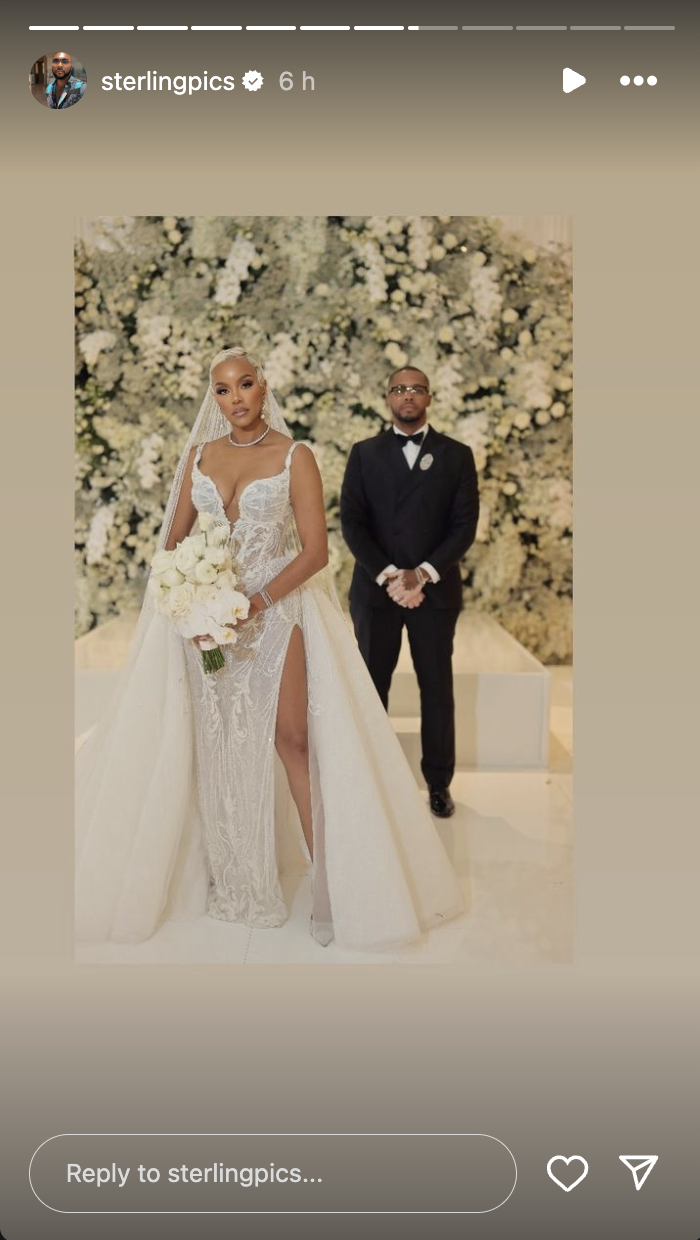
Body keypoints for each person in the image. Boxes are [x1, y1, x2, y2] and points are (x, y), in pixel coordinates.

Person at [75, 348, 466, 952]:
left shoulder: (294, 455)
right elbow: (173, 541)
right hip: (209, 622)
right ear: (214, 397)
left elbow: (315, 552)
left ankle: (331, 884)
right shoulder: (198, 456)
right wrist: (194, 598)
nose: (236, 399)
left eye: (246, 385)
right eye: (224, 390)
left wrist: (252, 602)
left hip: (278, 613)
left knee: (294, 741)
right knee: (218, 744)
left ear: (264, 388)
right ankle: (236, 880)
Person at [340, 366, 479, 820]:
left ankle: (438, 784)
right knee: (371, 687)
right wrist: (389, 576)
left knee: (436, 688)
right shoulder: (364, 454)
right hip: (377, 591)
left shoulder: (456, 456)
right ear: (387, 398)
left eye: (416, 389)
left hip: (433, 594)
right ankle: (373, 781)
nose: (407, 396)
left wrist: (420, 575)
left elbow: (464, 527)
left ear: (430, 398)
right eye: (399, 389)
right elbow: (353, 524)